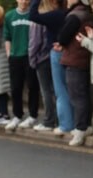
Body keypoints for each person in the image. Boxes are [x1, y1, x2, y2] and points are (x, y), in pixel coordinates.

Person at [29, 0, 75, 135]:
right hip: (71, 52)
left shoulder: (55, 15)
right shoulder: (72, 15)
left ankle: (65, 124)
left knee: (60, 90)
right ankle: (73, 122)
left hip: (56, 52)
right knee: (71, 89)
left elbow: (33, 16)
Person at [58, 0, 93, 146]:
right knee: (84, 96)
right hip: (85, 62)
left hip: (75, 61)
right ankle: (85, 126)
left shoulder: (75, 16)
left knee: (77, 97)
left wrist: (86, 41)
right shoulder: (88, 16)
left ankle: (80, 129)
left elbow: (62, 37)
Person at [3, 0, 40, 131]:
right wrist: (8, 53)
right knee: (15, 87)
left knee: (32, 86)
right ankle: (17, 115)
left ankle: (33, 115)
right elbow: (7, 36)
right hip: (15, 56)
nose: (24, 1)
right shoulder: (9, 16)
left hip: (30, 55)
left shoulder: (34, 15)